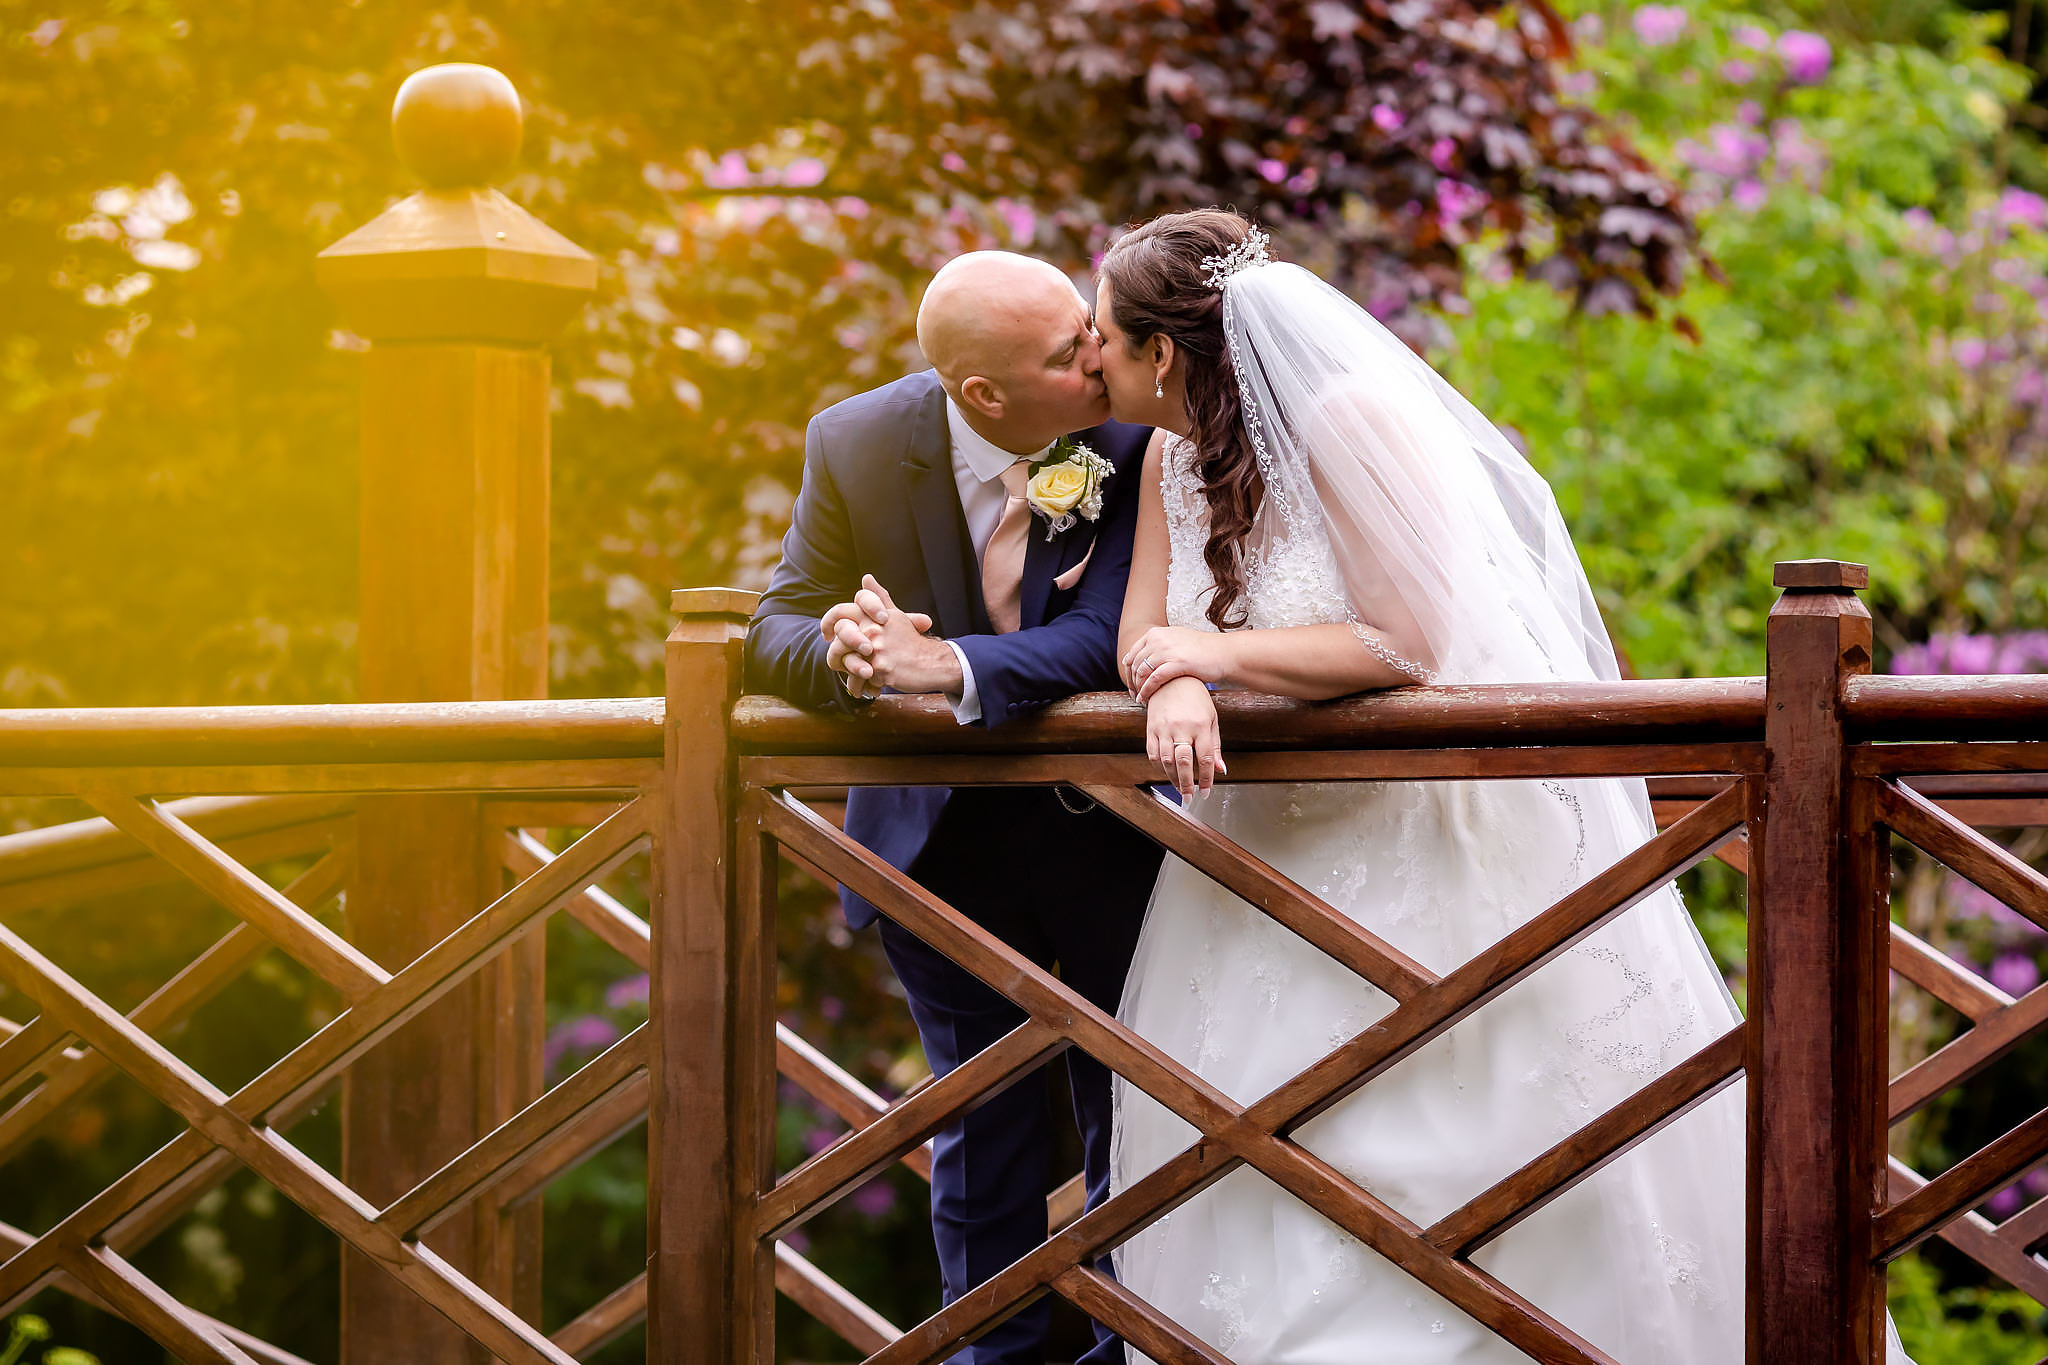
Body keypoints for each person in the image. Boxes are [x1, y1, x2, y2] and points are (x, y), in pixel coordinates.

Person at [1091, 209, 1913, 1363]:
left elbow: (1407, 641)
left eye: (1102, 340)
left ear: (1163, 353)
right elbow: (1143, 633)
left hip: (1417, 844)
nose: (1091, 362)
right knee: (1261, 1150)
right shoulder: (1169, 462)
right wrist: (1167, 683)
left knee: (1470, 1144)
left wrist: (1211, 660)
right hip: (1255, 868)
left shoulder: (1348, 420)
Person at [746, 250, 1164, 1365]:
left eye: (1089, 325)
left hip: (1117, 834)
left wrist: (948, 671)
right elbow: (772, 622)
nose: (1095, 350)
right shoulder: (856, 440)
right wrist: (843, 654)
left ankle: (1127, 1354)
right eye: (1063, 348)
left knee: (1140, 1114)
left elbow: (1105, 638)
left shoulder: (1134, 432)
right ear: (980, 396)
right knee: (981, 1132)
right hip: (934, 849)